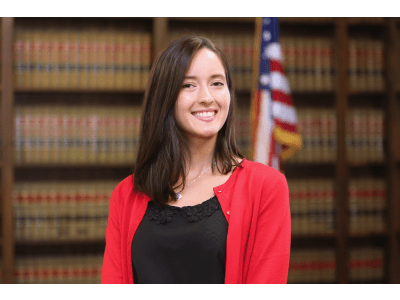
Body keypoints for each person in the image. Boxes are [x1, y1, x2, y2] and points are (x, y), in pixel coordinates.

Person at [101, 36, 291, 284]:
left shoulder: (266, 187)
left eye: (217, 83)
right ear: (165, 97)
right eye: (189, 85)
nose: (207, 97)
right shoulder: (126, 195)